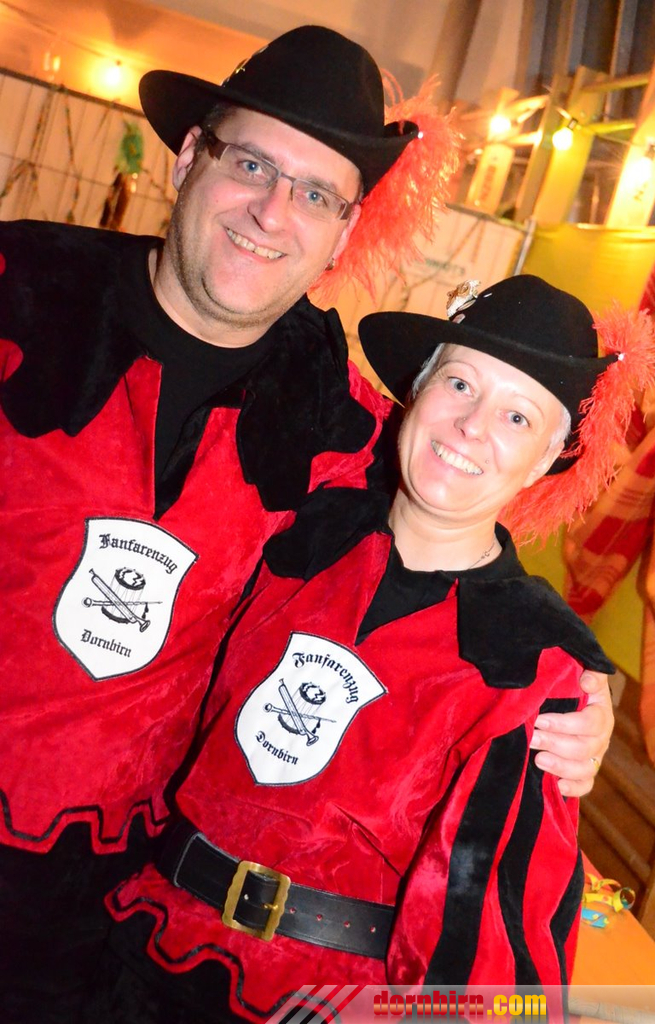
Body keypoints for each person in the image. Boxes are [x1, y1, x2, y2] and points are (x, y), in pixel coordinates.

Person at [0, 25, 610, 1018]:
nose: (274, 213)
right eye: (251, 163)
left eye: (317, 194)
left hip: (105, 927)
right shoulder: (21, 296)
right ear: (190, 157)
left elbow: (446, 532)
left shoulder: (343, 427)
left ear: (345, 228)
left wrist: (571, 687)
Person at [86, 276, 655, 1024]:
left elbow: (494, 944)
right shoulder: (290, 530)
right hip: (137, 943)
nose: (470, 426)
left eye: (517, 416)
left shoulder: (531, 665)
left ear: (547, 458)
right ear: (416, 389)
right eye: (459, 383)